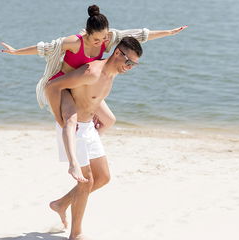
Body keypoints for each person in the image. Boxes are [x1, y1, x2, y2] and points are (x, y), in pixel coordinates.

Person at [1, 4, 188, 182]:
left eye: (104, 38)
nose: (101, 43)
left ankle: (87, 144)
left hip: (84, 84)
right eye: (96, 40)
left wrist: (168, 32)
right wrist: (16, 52)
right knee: (69, 120)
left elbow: (138, 35)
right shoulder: (74, 42)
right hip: (64, 84)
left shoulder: (107, 39)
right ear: (86, 34)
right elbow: (46, 48)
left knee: (109, 120)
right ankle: (74, 160)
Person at [45, 36, 142, 240]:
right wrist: (60, 119)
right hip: (74, 126)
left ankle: (61, 203)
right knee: (86, 181)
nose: (130, 67)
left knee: (103, 177)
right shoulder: (91, 72)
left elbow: (92, 97)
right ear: (117, 53)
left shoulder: (112, 72)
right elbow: (52, 87)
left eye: (134, 64)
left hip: (88, 126)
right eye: (128, 61)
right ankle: (76, 234)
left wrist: (102, 116)